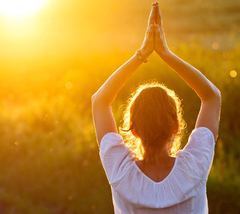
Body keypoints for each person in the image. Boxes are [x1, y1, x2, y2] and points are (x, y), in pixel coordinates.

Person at [91, 2, 221, 213]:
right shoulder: (194, 168)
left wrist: (142, 54)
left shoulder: (120, 172)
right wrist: (165, 53)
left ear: (133, 130)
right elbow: (212, 97)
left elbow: (100, 101)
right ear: (176, 127)